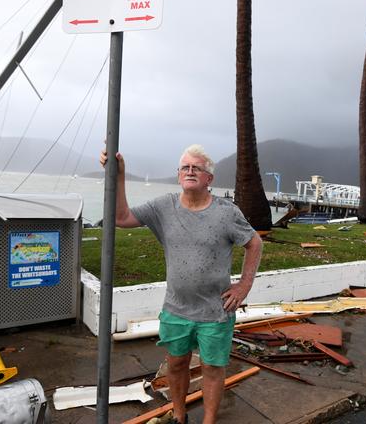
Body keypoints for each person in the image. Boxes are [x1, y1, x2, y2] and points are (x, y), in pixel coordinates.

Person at [100, 144, 262, 424]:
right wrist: (119, 175)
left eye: (196, 168)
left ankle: (208, 421)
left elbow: (255, 243)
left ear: (209, 179)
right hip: (176, 309)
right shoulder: (163, 207)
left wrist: (244, 286)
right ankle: (179, 415)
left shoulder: (226, 213)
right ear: (178, 175)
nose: (189, 171)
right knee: (176, 365)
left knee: (212, 368)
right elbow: (121, 218)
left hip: (216, 310)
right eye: (185, 167)